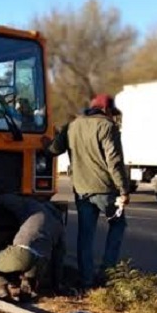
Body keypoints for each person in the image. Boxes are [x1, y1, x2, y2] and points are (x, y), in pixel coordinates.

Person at [43, 93, 129, 290]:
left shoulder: (72, 125)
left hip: (81, 190)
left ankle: (86, 280)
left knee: (85, 236)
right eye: (112, 113)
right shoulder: (108, 127)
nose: (114, 117)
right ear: (106, 110)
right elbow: (114, 161)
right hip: (106, 190)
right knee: (118, 225)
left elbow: (54, 150)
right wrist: (124, 191)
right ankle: (108, 272)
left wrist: (45, 145)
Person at [0, 193, 67, 301]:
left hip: (22, 252)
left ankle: (0, 287)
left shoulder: (35, 206)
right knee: (30, 268)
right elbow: (58, 259)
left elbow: (11, 200)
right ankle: (28, 283)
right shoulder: (58, 226)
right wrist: (57, 286)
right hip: (40, 262)